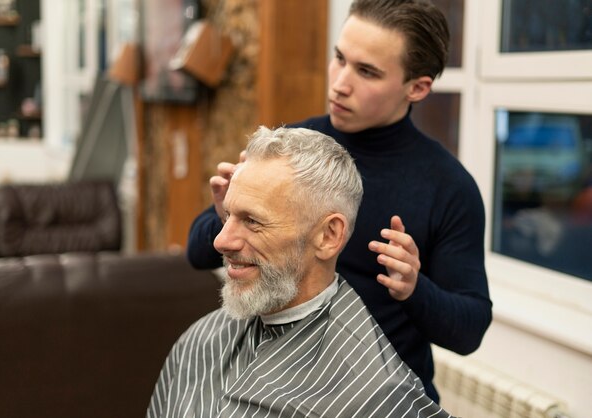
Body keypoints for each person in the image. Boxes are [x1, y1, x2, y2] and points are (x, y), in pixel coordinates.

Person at [186, 0, 492, 403]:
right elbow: (197, 252)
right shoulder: (291, 154)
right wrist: (227, 216)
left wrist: (414, 288)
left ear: (416, 87)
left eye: (366, 71)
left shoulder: (449, 187)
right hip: (279, 385)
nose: (340, 83)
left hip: (380, 399)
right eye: (339, 58)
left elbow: (469, 330)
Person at [147, 126, 453, 418]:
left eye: (252, 221)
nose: (220, 240)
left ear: (328, 236)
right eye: (227, 215)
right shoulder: (199, 342)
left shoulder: (373, 394)